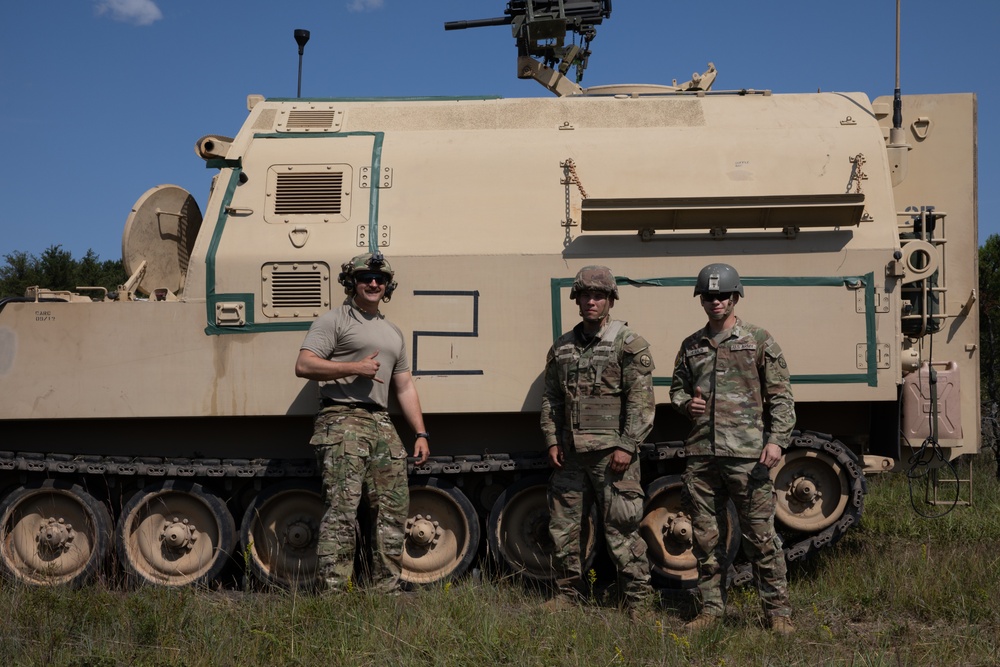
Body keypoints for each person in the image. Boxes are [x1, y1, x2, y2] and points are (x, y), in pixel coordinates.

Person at [670, 263, 796, 634]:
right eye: (709, 296)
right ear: (701, 301)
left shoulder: (758, 340)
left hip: (747, 457)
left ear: (735, 297)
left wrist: (777, 440)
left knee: (761, 539)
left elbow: (781, 398)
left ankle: (778, 614)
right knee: (706, 539)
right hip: (702, 457)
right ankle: (711, 610)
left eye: (723, 295)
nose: (716, 302)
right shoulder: (691, 346)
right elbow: (676, 389)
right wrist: (683, 404)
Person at [295, 252, 430, 593]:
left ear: (387, 287)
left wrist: (420, 432)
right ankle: (333, 592)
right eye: (365, 277)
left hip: (381, 421)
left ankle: (385, 586)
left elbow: (404, 385)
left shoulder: (392, 332)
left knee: (393, 506)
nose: (373, 283)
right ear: (352, 283)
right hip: (341, 416)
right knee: (342, 507)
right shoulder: (334, 321)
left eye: (380, 279)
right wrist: (353, 367)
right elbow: (305, 364)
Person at [540, 265, 656, 616]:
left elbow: (641, 401)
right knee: (563, 529)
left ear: (610, 301)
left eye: (598, 296)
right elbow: (551, 399)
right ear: (576, 300)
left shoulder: (629, 344)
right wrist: (551, 440)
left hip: (613, 456)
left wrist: (627, 444)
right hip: (572, 455)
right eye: (585, 295)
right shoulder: (562, 348)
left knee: (622, 529)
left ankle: (638, 600)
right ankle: (567, 594)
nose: (591, 301)